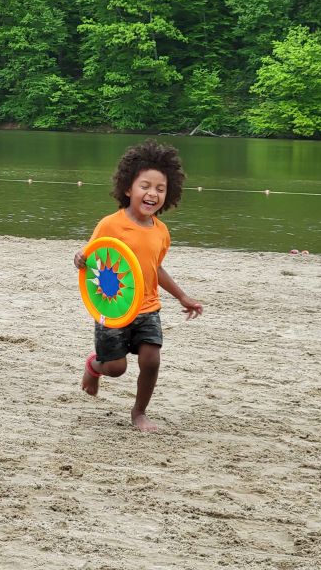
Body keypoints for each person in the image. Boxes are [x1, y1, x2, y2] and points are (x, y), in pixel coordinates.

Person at [74, 140, 203, 432]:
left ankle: (139, 412)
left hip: (147, 307)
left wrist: (182, 296)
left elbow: (155, 268)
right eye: (145, 185)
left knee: (152, 359)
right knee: (116, 368)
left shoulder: (161, 232)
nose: (152, 193)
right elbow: (92, 258)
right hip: (114, 309)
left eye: (160, 189)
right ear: (128, 188)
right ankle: (95, 366)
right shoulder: (110, 225)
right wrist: (80, 258)